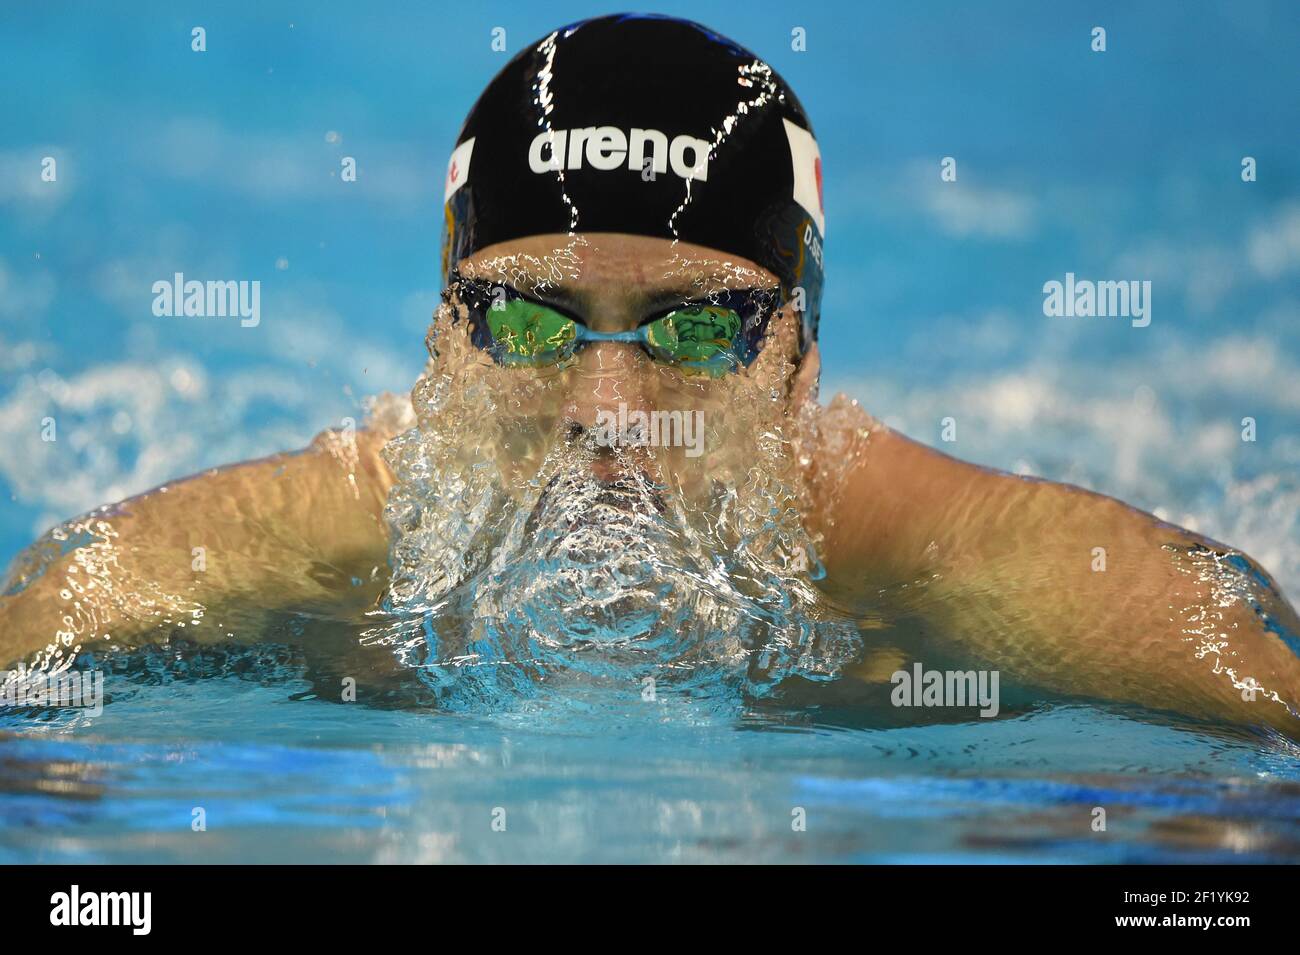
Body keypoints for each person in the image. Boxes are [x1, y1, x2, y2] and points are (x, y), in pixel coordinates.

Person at [3, 15, 1298, 731]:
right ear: (443, 340)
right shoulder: (287, 557)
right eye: (529, 324)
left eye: (693, 332)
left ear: (798, 361)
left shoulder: (971, 580)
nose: (604, 416)